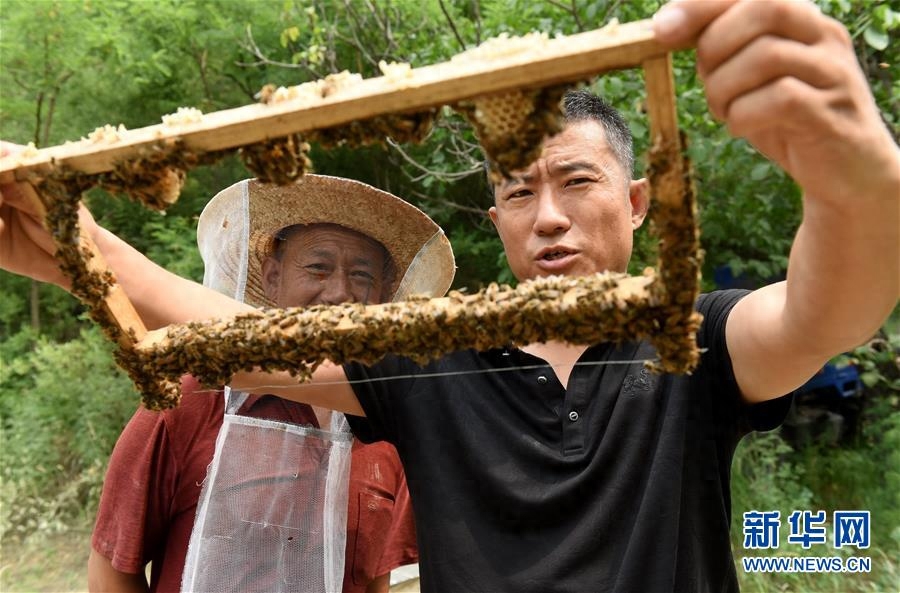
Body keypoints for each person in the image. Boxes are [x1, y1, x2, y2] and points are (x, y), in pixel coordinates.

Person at [1, 1, 898, 591]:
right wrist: (72, 247)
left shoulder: (691, 334)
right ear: (497, 222)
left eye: (576, 180)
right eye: (516, 191)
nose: (547, 217)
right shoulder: (433, 349)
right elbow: (242, 334)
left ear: (635, 201)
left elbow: (830, 309)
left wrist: (859, 182)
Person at [85, 176, 455, 593]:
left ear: (385, 296)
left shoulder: (387, 428)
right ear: (273, 277)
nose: (340, 293)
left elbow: (372, 582)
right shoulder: (191, 398)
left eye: (361, 275)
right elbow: (112, 572)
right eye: (318, 267)